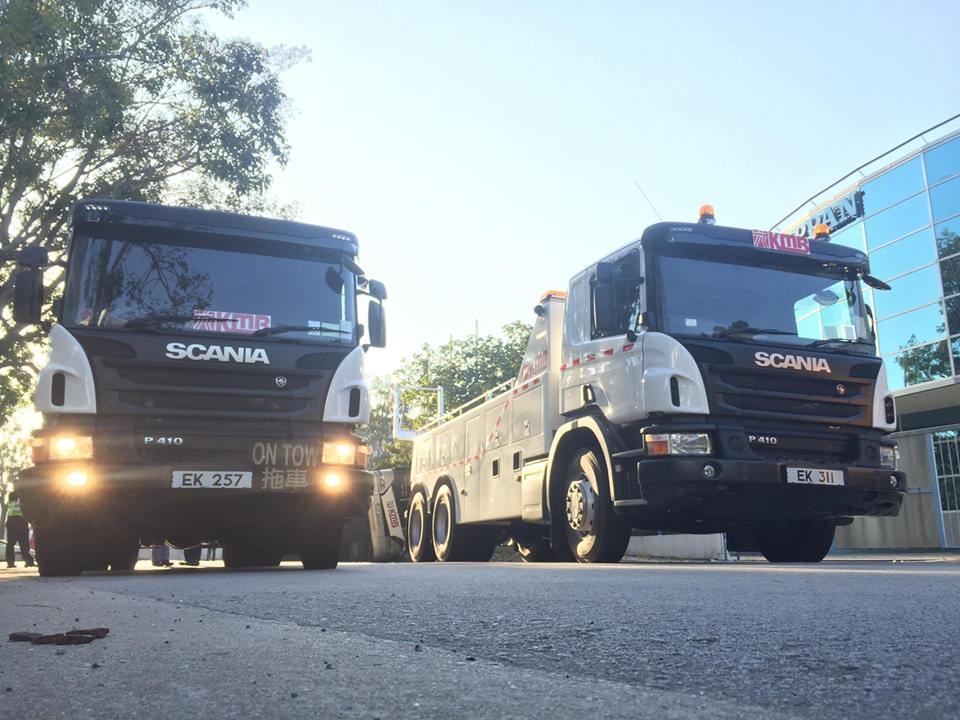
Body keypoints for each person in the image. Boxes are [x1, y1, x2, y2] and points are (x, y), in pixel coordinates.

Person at [5, 492, 34, 568]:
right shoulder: (18, 498)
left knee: (13, 543)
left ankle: (11, 562)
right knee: (22, 543)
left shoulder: (13, 499)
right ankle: (27, 560)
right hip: (19, 521)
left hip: (14, 521)